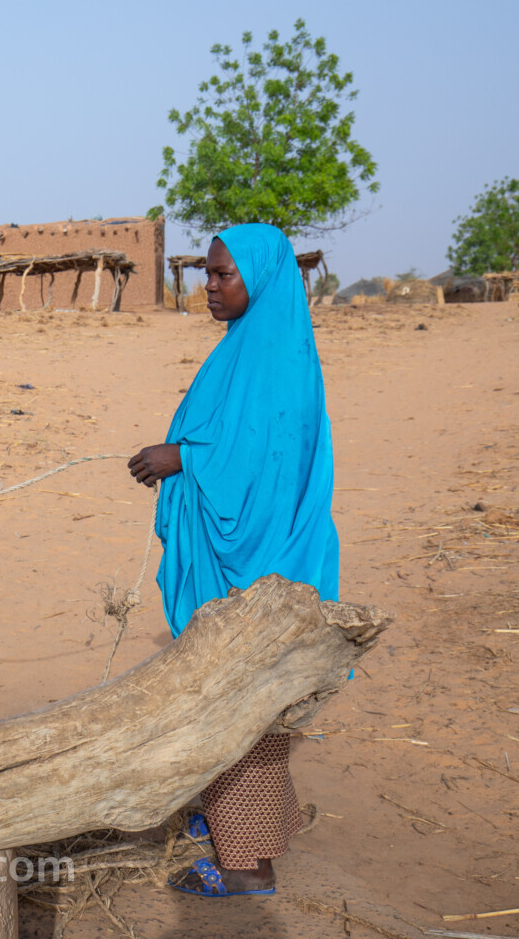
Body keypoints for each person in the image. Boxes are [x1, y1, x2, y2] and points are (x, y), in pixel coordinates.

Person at [127, 223, 338, 898]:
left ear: (263, 278)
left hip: (263, 555)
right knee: (252, 706)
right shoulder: (248, 347)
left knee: (239, 704)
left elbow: (265, 466)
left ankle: (247, 868)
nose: (210, 288)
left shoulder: (272, 357)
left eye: (224, 276)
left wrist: (180, 459)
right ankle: (247, 826)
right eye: (207, 275)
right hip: (251, 552)